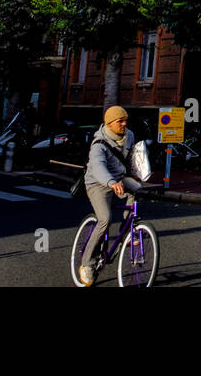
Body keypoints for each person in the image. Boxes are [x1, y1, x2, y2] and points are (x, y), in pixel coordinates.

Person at [78, 105, 143, 286]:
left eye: (125, 120)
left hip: (119, 179)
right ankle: (87, 265)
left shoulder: (129, 135)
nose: (124, 124)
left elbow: (131, 158)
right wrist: (110, 182)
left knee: (136, 190)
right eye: (120, 121)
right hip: (98, 183)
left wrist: (136, 173)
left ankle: (126, 233)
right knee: (104, 219)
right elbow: (98, 167)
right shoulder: (98, 144)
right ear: (109, 123)